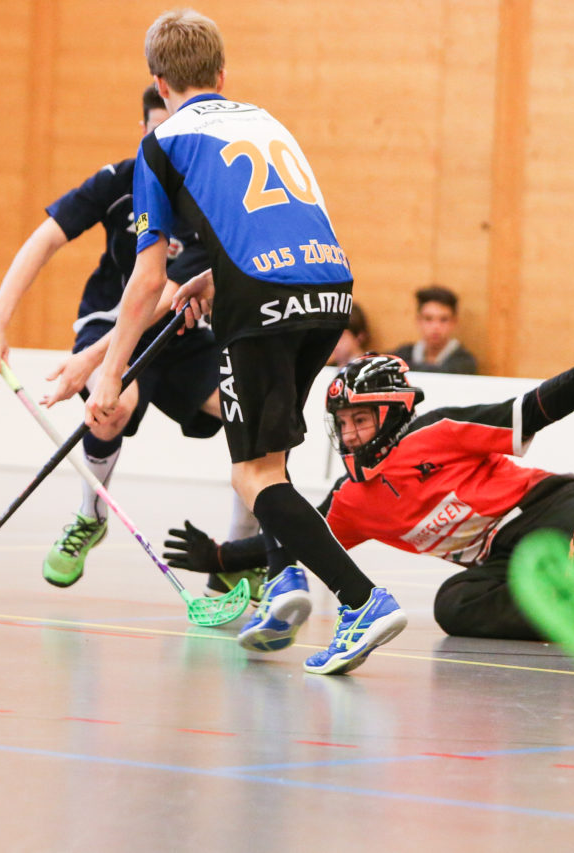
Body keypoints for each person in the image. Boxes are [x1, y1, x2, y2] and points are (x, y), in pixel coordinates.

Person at [163, 315, 574, 659]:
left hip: (548, 510)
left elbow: (532, 409)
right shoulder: (352, 498)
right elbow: (300, 537)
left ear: (391, 413)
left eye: (361, 419)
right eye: (344, 423)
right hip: (497, 562)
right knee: (455, 606)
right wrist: (225, 558)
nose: (350, 433)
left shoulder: (436, 431)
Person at [85, 10, 399, 676]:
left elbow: (144, 280)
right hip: (331, 288)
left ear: (158, 80)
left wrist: (110, 374)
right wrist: (209, 276)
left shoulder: (162, 140)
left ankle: (361, 600)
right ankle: (283, 584)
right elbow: (271, 215)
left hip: (262, 298)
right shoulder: (264, 119)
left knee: (251, 473)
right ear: (222, 74)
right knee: (273, 458)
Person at [0, 84, 243, 590]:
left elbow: (167, 292)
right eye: (161, 132)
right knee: (112, 405)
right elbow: (45, 237)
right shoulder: (120, 180)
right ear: (144, 132)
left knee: (250, 409)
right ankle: (90, 516)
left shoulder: (212, 196)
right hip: (109, 321)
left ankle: (237, 554)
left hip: (178, 330)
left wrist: (91, 363)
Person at [392, 285, 478, 374]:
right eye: (428, 319)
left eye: (443, 320)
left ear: (454, 322)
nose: (435, 327)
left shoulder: (464, 362)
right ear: (418, 320)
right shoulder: (403, 354)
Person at [326, 301, 369, 367]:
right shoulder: (325, 371)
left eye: (339, 337)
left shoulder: (370, 368)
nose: (333, 343)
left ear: (359, 337)